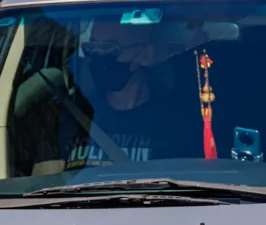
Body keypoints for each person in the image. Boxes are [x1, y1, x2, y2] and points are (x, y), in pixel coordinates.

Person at [57, 16, 201, 171]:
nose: (98, 56)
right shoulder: (76, 116)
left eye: (110, 48)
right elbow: (51, 175)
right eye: (91, 47)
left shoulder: (176, 125)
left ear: (146, 56)